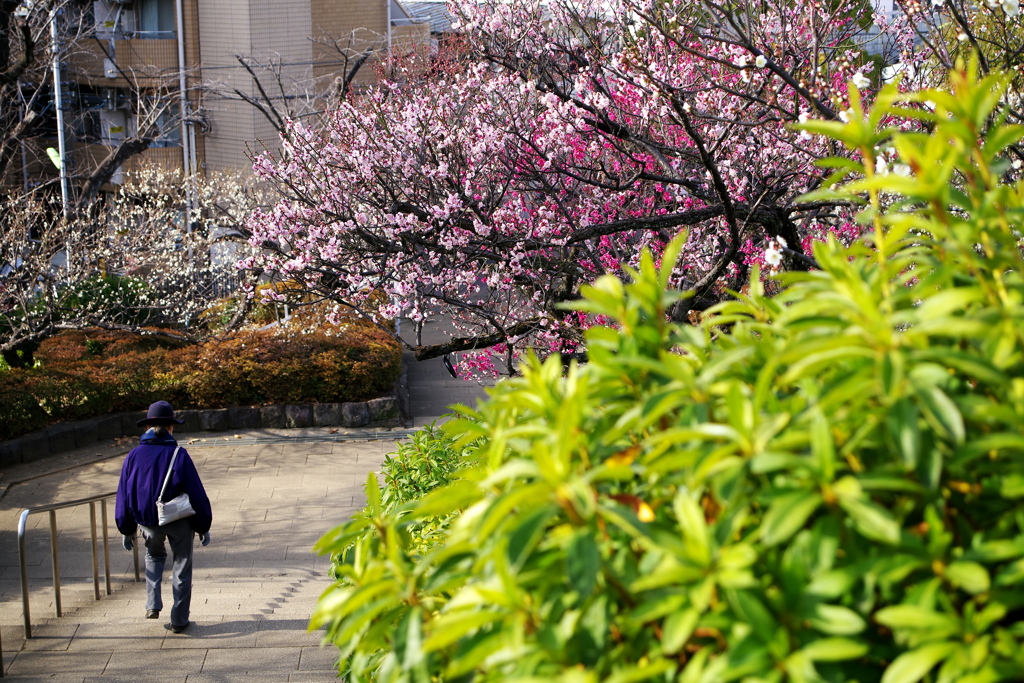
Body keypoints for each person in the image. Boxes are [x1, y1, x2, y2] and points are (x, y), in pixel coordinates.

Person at [115, 400, 212, 634]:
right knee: (181, 564)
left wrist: (126, 528)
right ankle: (179, 619)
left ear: (148, 427)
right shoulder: (179, 454)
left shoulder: (134, 456)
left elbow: (124, 494)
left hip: (148, 521)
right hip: (178, 519)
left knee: (154, 555)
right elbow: (195, 491)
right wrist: (203, 524)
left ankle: (152, 603)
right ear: (170, 427)